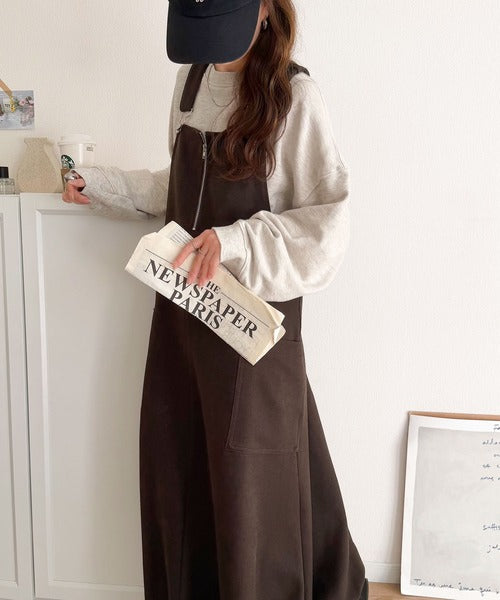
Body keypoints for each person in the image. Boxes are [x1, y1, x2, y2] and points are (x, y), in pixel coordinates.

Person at [62, 1, 369, 598]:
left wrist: (234, 241)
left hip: (250, 339)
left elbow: (327, 227)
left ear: (264, 10)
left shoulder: (294, 98)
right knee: (182, 478)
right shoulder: (190, 81)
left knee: (254, 497)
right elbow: (177, 190)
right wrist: (101, 186)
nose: (213, 48)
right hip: (182, 328)